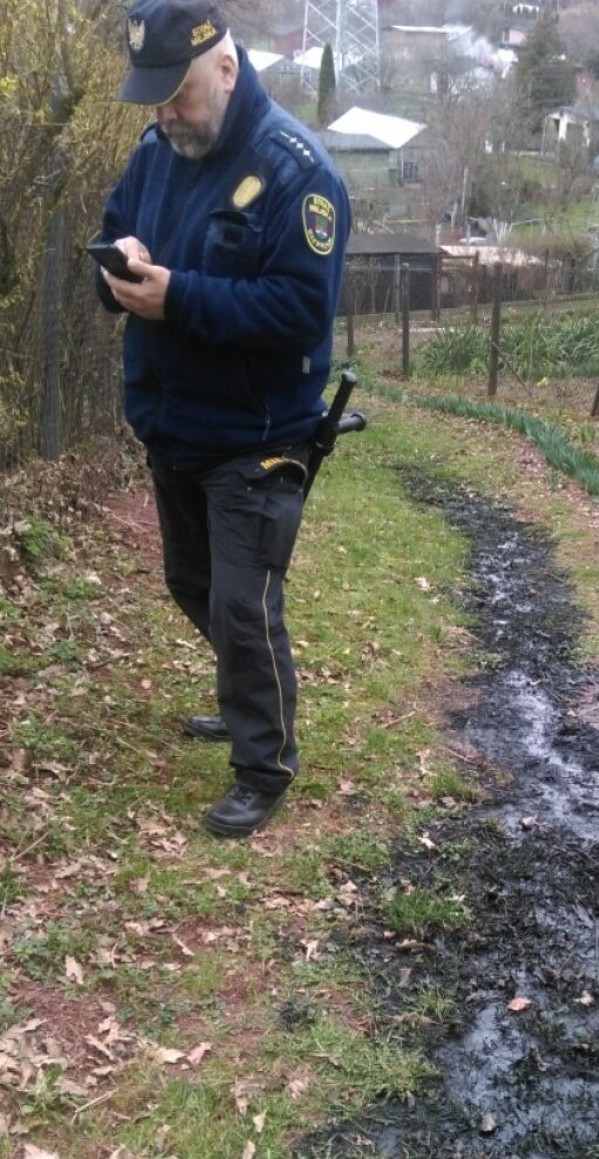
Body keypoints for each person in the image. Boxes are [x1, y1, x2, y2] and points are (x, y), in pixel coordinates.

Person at [94, 0, 350, 837]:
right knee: (192, 586)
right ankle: (249, 690)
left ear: (228, 71)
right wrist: (118, 272)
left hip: (258, 436)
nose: (166, 112)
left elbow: (298, 311)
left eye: (180, 94)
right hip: (173, 423)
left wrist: (178, 299)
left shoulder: (298, 174)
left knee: (243, 608)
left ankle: (264, 762)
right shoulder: (156, 151)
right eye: (155, 96)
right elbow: (112, 237)